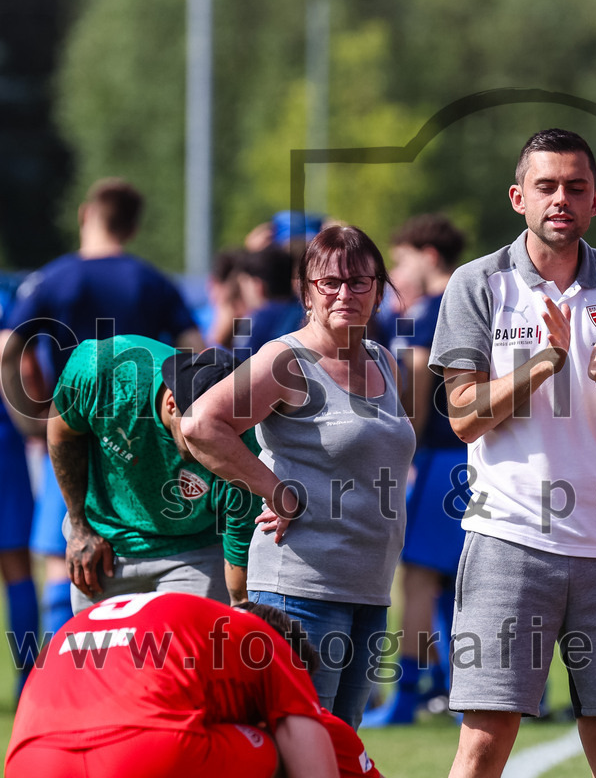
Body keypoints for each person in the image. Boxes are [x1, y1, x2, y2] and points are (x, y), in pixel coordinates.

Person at [429, 128, 596, 778]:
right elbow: (462, 418)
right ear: (519, 196)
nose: (560, 199)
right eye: (546, 186)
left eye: (575, 187)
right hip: (506, 541)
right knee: (486, 739)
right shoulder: (476, 283)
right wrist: (545, 362)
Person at [182, 225, 417, 730]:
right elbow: (201, 424)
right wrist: (276, 490)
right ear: (306, 291)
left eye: (358, 281)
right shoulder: (287, 359)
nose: (344, 293)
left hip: (370, 591)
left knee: (341, 745)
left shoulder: (381, 360)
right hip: (300, 590)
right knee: (295, 745)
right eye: (328, 282)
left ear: (379, 289)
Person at [0, 177, 204, 637]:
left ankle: (52, 677)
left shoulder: (52, 279)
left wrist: (30, 421)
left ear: (84, 215)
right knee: (149, 552)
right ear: (131, 228)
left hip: (73, 434)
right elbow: (196, 354)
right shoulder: (152, 282)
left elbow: (8, 349)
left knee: (62, 557)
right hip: (147, 444)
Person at [5, 590, 371, 777]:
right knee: (283, 751)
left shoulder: (192, 626)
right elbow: (311, 752)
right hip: (144, 751)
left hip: (28, 760)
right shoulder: (265, 641)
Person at [48, 335, 261, 612]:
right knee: (99, 655)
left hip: (193, 552)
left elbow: (239, 545)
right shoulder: (105, 369)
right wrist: (79, 527)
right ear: (172, 403)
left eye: (228, 430)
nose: (219, 442)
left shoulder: (246, 445)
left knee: (191, 654)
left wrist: (240, 611)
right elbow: (62, 430)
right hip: (108, 547)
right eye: (206, 429)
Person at [364, 213, 468, 726]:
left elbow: (421, 390)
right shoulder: (480, 298)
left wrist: (401, 453)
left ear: (428, 256)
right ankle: (455, 685)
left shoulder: (430, 310)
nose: (397, 271)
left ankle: (405, 699)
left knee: (419, 578)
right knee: (460, 579)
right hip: (478, 456)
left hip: (440, 457)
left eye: (401, 259)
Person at [0, 281, 39, 698]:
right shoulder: (7, 298)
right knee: (17, 571)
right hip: (5, 448)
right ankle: (27, 678)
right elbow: (19, 363)